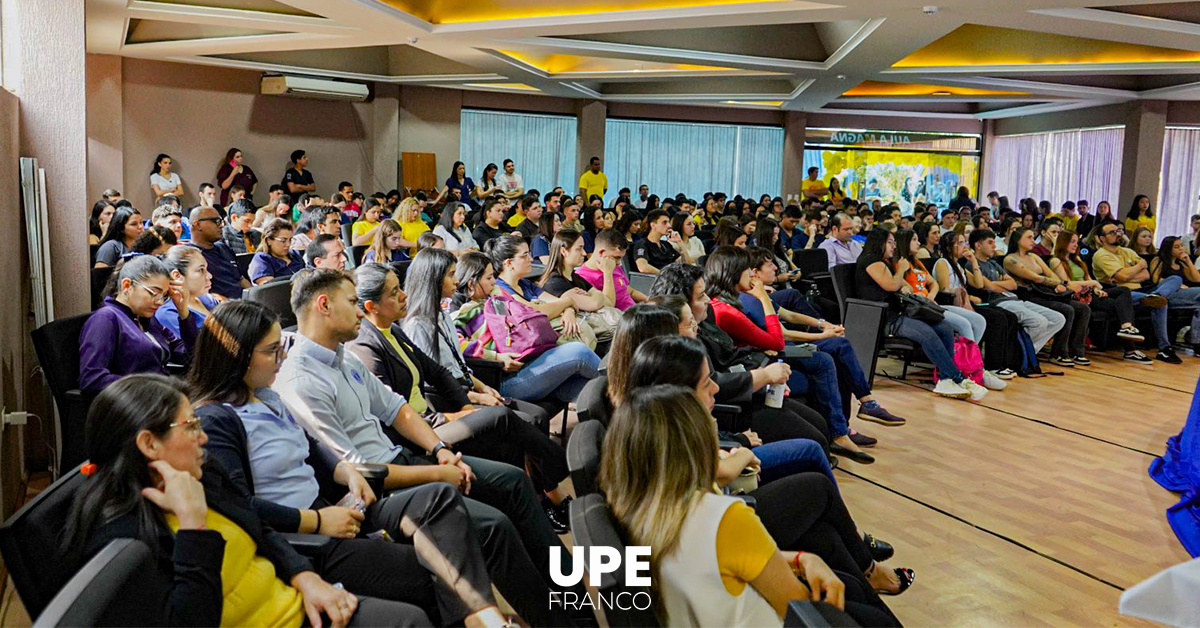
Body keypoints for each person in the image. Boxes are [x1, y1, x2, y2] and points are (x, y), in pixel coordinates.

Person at [273, 268, 591, 627]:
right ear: (324, 306)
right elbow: (356, 472)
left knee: (514, 482)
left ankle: (574, 597)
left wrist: (439, 448)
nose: (360, 311)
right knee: (494, 527)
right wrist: (440, 471)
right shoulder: (301, 380)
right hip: (380, 491)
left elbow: (396, 410)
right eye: (352, 302)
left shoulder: (342, 356)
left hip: (407, 457)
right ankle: (562, 622)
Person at [186, 301, 514, 628]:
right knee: (432, 569)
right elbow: (241, 506)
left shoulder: (266, 396)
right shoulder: (216, 420)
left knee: (438, 498)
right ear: (235, 354)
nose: (281, 359)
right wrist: (315, 521)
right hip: (302, 533)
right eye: (271, 351)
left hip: (334, 505)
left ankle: (479, 617)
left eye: (281, 347)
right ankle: (482, 620)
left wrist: (347, 472)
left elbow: (313, 449)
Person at [62, 374, 430, 628]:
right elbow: (189, 622)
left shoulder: (201, 475)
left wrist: (306, 578)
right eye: (190, 426)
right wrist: (193, 527)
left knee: (416, 604)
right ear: (148, 444)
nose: (203, 438)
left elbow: (260, 527)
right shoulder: (121, 536)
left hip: (296, 603)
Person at [601, 386, 905, 627]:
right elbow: (796, 605)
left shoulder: (632, 508)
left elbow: (713, 560)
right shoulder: (721, 517)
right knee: (865, 609)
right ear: (693, 442)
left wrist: (801, 558)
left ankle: (867, 572)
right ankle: (869, 572)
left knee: (825, 543)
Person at [348, 263, 573, 531]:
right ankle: (565, 472)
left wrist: (467, 404)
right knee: (502, 417)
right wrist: (457, 414)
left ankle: (533, 506)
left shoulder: (393, 330)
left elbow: (439, 373)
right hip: (424, 431)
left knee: (516, 434)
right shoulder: (366, 347)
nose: (403, 295)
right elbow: (398, 413)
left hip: (441, 416)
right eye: (394, 292)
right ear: (372, 306)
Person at [449, 250, 601, 405]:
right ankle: (623, 385)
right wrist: (495, 357)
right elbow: (456, 345)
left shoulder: (498, 301)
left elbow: (530, 314)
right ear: (471, 283)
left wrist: (568, 309)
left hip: (530, 364)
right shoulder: (465, 313)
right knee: (578, 351)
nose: (494, 281)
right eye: (489, 278)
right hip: (506, 380)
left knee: (594, 391)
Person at [857, 229, 988, 400]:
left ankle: (946, 378)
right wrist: (901, 271)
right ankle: (957, 377)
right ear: (879, 243)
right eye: (890, 242)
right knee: (927, 333)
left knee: (944, 327)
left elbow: (905, 286)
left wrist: (901, 281)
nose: (894, 246)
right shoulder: (871, 261)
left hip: (900, 311)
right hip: (884, 317)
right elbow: (891, 285)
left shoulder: (885, 262)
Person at [79, 255, 196, 394]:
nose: (160, 302)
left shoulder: (146, 318)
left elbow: (189, 356)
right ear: (126, 285)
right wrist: (153, 386)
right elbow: (92, 379)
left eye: (164, 295)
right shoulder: (106, 319)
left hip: (162, 395)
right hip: (137, 404)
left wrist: (183, 311)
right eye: (154, 293)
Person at [1092, 223, 1187, 363]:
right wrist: (1139, 266)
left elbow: (1146, 275)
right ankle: (1165, 348)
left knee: (1175, 278)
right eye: (1112, 232)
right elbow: (1124, 277)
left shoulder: (1127, 251)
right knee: (1160, 304)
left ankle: (1158, 295)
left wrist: (1129, 273)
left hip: (1142, 290)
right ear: (1102, 238)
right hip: (1122, 293)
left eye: (1118, 231)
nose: (1118, 234)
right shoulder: (1101, 255)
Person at [1049, 230, 1148, 362]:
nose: (1075, 245)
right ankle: (1130, 349)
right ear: (1063, 242)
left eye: (1076, 242)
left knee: (1123, 291)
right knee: (1120, 307)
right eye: (1072, 242)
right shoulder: (1056, 261)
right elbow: (1068, 283)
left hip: (1090, 292)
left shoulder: (1077, 259)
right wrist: (1093, 283)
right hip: (1076, 295)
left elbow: (1088, 278)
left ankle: (1126, 327)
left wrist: (1096, 288)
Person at [965, 229, 1067, 358]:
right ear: (978, 246)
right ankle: (1018, 354)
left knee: (1058, 318)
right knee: (1039, 322)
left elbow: (1012, 284)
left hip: (1015, 299)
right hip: (999, 302)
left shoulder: (993, 263)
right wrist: (999, 284)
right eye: (990, 243)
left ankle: (1025, 353)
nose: (994, 246)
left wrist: (995, 284)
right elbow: (990, 287)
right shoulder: (972, 265)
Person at [1002, 227, 1091, 367]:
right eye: (1029, 237)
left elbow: (1050, 274)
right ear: (1018, 240)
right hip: (1027, 295)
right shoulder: (1010, 259)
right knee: (1067, 309)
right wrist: (1059, 283)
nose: (1033, 240)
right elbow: (1035, 277)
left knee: (1083, 308)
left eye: (1033, 237)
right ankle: (1059, 353)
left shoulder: (1034, 257)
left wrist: (1058, 284)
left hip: (1044, 292)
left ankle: (1076, 351)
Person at [153, 245, 217, 340]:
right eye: (201, 270)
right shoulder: (168, 313)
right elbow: (190, 350)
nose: (209, 276)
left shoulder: (207, 299)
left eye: (206, 269)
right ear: (177, 275)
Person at [190, 206, 251, 300]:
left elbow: (241, 279)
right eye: (216, 221)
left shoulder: (223, 247)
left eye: (221, 221)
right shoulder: (189, 254)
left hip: (243, 304)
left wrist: (256, 296)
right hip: (219, 309)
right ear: (197, 225)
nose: (221, 225)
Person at [576, 230, 647, 310]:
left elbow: (629, 291)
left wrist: (650, 301)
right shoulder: (582, 277)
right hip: (617, 318)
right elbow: (607, 306)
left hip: (636, 312)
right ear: (602, 252)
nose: (619, 263)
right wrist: (607, 273)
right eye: (616, 258)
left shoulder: (614, 265)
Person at [248, 218, 305, 285]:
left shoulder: (295, 255)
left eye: (290, 240)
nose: (288, 244)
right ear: (268, 240)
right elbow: (270, 288)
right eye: (283, 240)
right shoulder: (262, 259)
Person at [631, 209, 683, 273]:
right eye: (664, 222)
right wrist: (663, 275)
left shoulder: (666, 245)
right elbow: (643, 267)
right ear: (653, 225)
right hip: (656, 280)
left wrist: (680, 242)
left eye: (668, 222)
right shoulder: (642, 244)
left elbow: (686, 263)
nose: (669, 226)